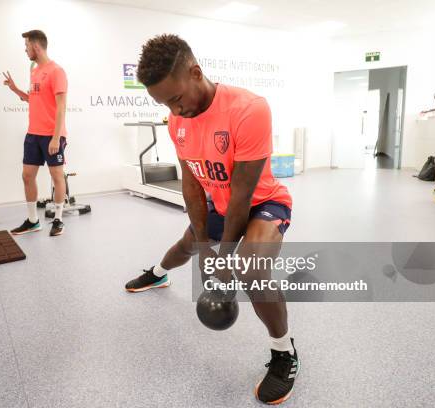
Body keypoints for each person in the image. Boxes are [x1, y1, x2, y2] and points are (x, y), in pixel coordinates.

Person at [124, 35, 298, 405]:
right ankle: (158, 273)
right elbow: (191, 185)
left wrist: (223, 261)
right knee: (187, 245)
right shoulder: (177, 122)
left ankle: (284, 353)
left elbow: (243, 193)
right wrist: (204, 248)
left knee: (251, 268)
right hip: (220, 205)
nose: (174, 109)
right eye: (164, 104)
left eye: (176, 98)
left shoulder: (249, 109)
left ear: (196, 72)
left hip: (262, 202)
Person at [3, 29, 68, 236]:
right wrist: (15, 89)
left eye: (27, 46)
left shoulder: (57, 71)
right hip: (33, 133)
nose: (25, 50)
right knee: (27, 175)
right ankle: (33, 221)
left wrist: (56, 137)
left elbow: (61, 107)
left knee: (56, 175)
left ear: (36, 46)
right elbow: (34, 100)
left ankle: (58, 219)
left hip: (52, 134)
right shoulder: (35, 71)